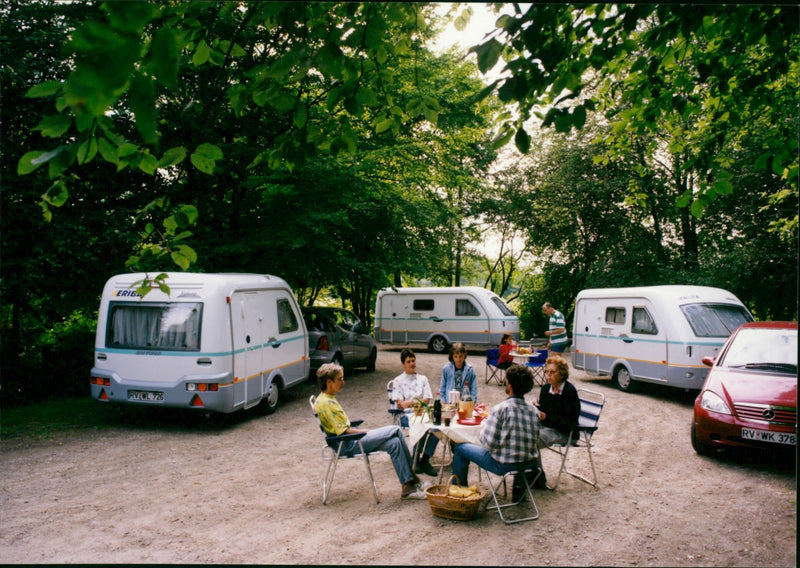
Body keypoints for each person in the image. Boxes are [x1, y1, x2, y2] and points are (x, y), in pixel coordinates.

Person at [314, 362, 430, 500]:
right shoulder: (326, 403)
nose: (343, 382)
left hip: (349, 440)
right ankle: (413, 478)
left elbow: (340, 427)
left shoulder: (327, 399)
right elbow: (342, 432)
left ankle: (408, 487)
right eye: (340, 379)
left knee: (394, 444)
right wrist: (366, 431)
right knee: (396, 429)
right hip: (347, 444)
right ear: (328, 381)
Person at [450, 364, 540, 495]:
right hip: (530, 464)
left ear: (510, 384)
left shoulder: (500, 409)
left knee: (460, 448)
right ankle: (519, 494)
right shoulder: (534, 411)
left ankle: (459, 491)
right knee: (518, 451)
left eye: (506, 380)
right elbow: (534, 439)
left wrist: (484, 428)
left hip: (504, 464)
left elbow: (488, 443)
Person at [532, 354, 581, 487]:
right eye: (547, 371)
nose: (548, 375)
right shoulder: (545, 389)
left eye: (552, 372)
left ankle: (537, 479)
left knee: (531, 440)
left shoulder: (569, 392)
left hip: (565, 432)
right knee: (524, 434)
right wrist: (536, 408)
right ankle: (531, 474)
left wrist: (545, 417)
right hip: (547, 428)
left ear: (562, 374)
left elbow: (569, 423)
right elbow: (545, 412)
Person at [390, 349, 439, 476]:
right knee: (421, 423)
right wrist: (417, 401)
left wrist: (411, 402)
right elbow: (400, 404)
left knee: (439, 426)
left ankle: (425, 459)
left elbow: (427, 399)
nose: (412, 364)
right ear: (403, 364)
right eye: (408, 362)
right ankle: (416, 458)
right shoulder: (398, 381)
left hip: (423, 412)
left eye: (413, 361)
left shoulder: (423, 379)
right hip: (406, 415)